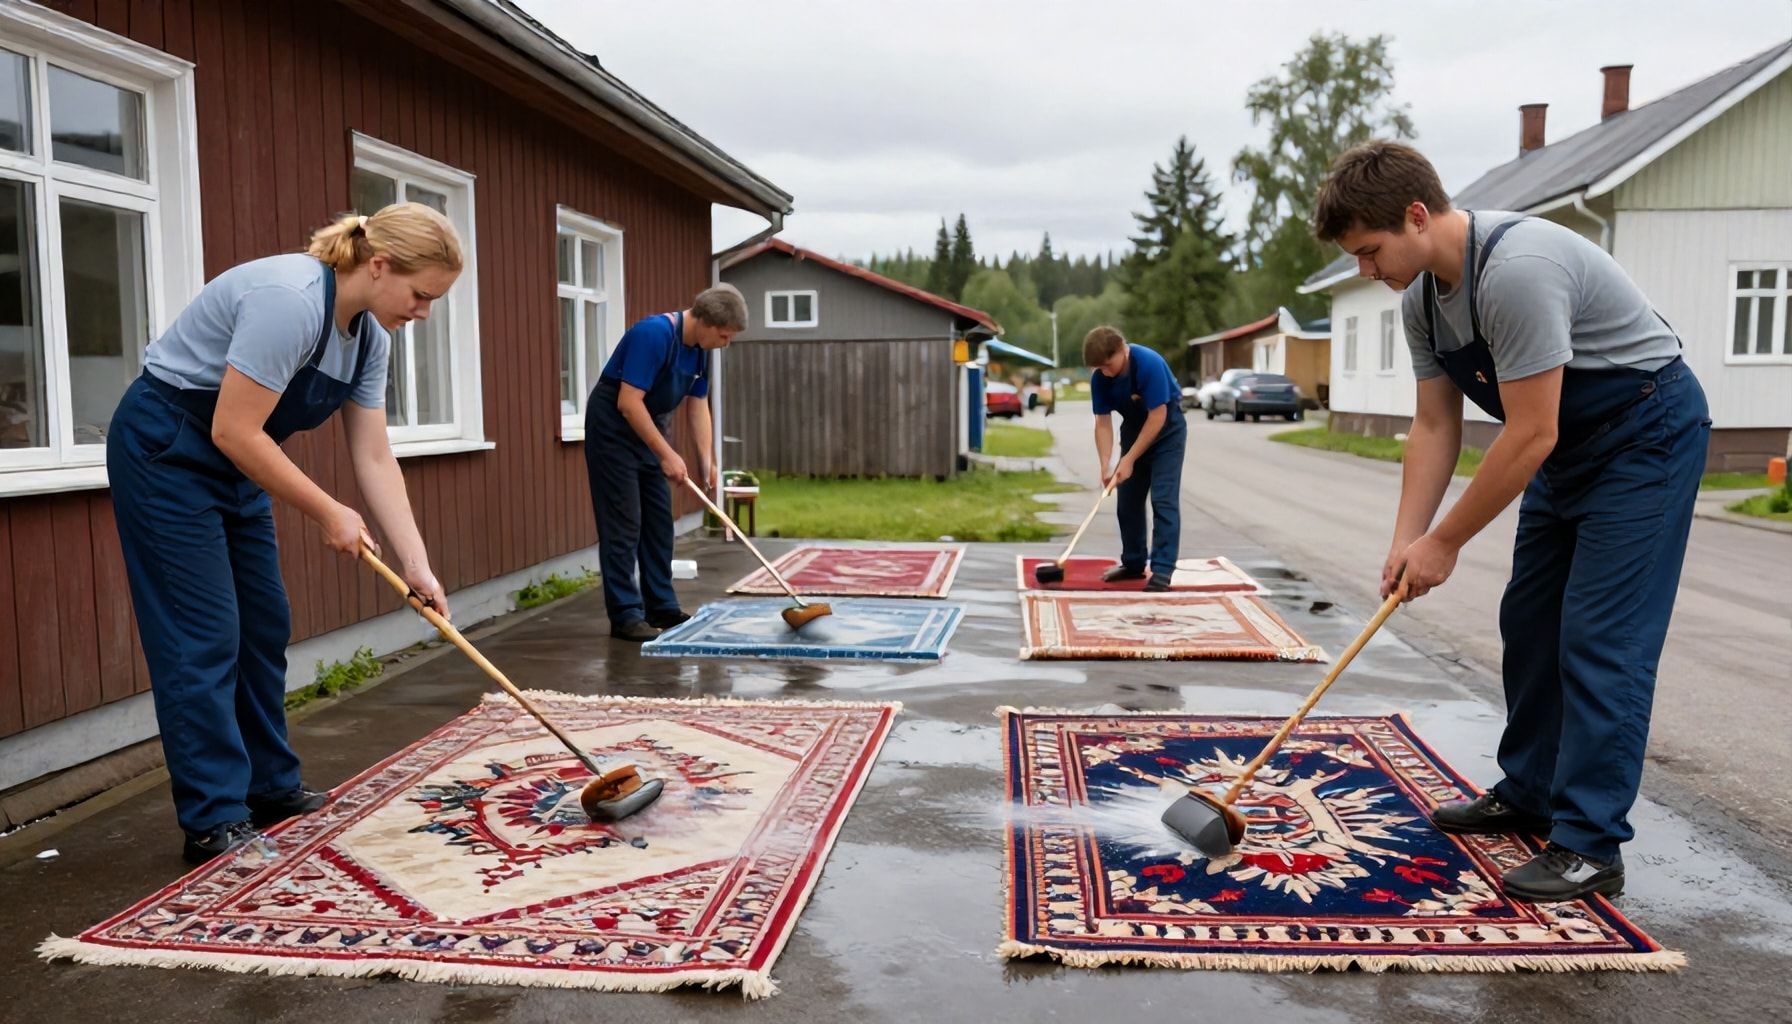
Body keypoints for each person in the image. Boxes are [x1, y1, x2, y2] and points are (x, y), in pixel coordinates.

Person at [1313, 141, 1709, 902]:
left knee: (1601, 639)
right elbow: (1435, 427)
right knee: (1529, 620)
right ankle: (1528, 791)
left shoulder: (1518, 271)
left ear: (1417, 215)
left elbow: (1530, 432)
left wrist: (1448, 542)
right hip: (1567, 449)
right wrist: (1409, 541)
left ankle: (1591, 844)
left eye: (1370, 251)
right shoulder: (1420, 300)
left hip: (1644, 437)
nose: (1365, 269)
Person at [108, 203, 461, 863]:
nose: (423, 313)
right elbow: (232, 429)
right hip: (169, 449)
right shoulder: (288, 301)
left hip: (239, 458)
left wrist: (418, 566)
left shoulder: (369, 342)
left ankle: (269, 787)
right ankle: (214, 819)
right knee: (202, 635)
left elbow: (375, 456)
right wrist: (329, 510)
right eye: (419, 295)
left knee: (264, 624)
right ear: (379, 265)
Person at [585, 285, 747, 641]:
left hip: (649, 424)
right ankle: (626, 614)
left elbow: (697, 404)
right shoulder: (654, 334)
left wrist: (707, 461)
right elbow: (628, 402)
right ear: (705, 322)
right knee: (624, 522)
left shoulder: (700, 350)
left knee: (659, 520)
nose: (726, 343)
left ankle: (660, 605)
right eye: (724, 335)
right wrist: (667, 454)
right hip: (614, 427)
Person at [1083, 326, 1187, 591]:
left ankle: (1162, 570)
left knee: (1163, 498)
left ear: (1122, 349)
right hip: (1133, 429)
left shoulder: (1147, 363)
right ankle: (1133, 563)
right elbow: (1102, 422)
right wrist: (1106, 463)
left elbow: (1158, 416)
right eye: (1099, 368)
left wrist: (1128, 459)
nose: (1105, 372)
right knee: (1127, 496)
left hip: (1166, 430)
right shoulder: (1100, 378)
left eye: (1108, 365)